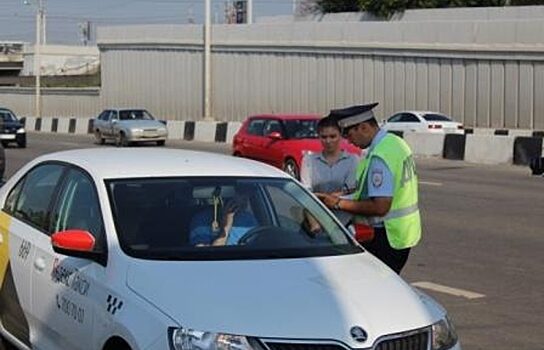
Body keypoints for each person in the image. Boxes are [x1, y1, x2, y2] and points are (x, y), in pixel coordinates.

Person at [315, 103, 421, 274]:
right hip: (405, 230)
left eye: (349, 134)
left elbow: (380, 206)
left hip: (388, 235)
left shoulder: (380, 155)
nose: (348, 140)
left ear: (363, 127)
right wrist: (346, 194)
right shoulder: (395, 143)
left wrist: (337, 203)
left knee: (377, 288)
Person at [300, 116, 359, 226]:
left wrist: (320, 196)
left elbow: (350, 191)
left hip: (344, 224)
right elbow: (306, 192)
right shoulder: (309, 161)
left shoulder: (352, 160)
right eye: (324, 137)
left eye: (333, 136)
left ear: (340, 135)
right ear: (319, 137)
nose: (328, 141)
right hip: (316, 220)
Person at [189, 185, 258, 246]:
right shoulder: (201, 220)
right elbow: (207, 256)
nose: (245, 199)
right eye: (240, 193)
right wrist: (227, 225)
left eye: (247, 195)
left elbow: (257, 245)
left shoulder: (249, 220)